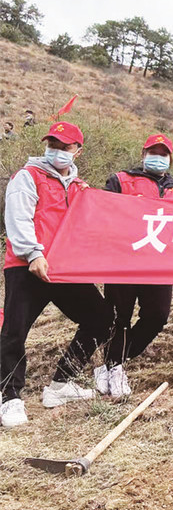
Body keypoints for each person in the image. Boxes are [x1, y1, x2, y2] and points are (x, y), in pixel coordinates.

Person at [0, 122, 114, 428]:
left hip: (65, 269)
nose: (57, 151)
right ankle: (9, 396)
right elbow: (18, 218)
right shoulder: (28, 176)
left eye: (65, 147)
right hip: (27, 266)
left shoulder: (80, 188)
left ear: (78, 151)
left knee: (101, 317)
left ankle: (62, 384)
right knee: (14, 331)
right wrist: (33, 254)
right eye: (53, 145)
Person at [97, 133, 173, 397]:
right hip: (123, 263)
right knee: (119, 317)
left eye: (163, 154)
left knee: (157, 316)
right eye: (153, 153)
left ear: (170, 159)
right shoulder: (121, 180)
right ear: (143, 154)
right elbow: (101, 210)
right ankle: (114, 369)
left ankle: (113, 361)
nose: (157, 158)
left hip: (160, 264)